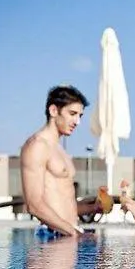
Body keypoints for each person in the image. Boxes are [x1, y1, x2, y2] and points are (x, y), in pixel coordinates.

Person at [20, 85, 96, 238]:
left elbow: (64, 206)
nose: (77, 121)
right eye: (72, 114)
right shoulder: (37, 146)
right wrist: (74, 233)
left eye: (80, 116)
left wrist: (94, 207)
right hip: (52, 235)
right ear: (53, 110)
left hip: (66, 233)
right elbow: (34, 205)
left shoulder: (60, 150)